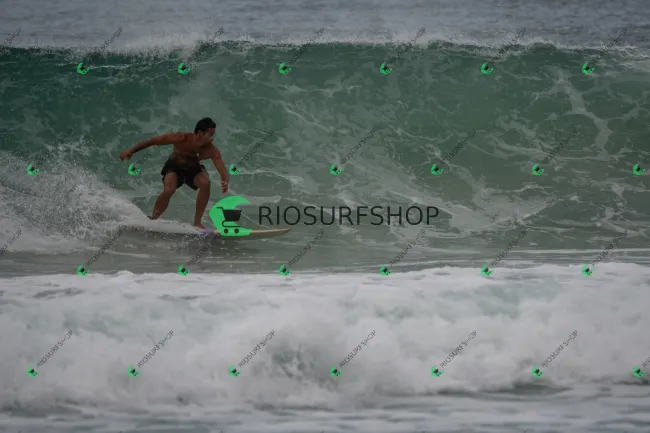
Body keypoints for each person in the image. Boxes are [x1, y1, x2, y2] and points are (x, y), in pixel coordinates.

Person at [119, 117, 229, 229]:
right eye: (210, 135)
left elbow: (222, 168)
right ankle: (153, 219)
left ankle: (197, 223)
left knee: (205, 183)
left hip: (193, 169)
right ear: (200, 133)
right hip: (174, 167)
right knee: (168, 190)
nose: (212, 138)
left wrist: (225, 180)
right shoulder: (181, 138)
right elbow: (153, 141)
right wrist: (131, 151)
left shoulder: (211, 150)